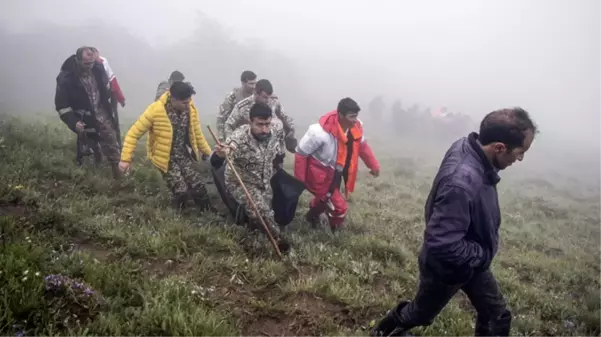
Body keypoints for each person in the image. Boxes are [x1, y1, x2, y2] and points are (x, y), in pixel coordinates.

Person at [370, 107, 538, 337]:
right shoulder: (461, 182)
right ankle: (387, 330)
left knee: (497, 315)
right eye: (520, 152)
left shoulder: (468, 146)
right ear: (499, 147)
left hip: (472, 259)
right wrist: (481, 254)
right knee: (420, 313)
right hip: (447, 266)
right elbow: (442, 244)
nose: (520, 159)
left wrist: (479, 255)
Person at [119, 81, 214, 211]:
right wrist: (125, 159)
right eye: (184, 103)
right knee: (180, 189)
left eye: (189, 101)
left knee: (197, 185)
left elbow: (196, 134)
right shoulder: (155, 111)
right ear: (173, 99)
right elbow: (133, 134)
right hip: (165, 158)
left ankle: (208, 212)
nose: (188, 105)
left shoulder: (190, 109)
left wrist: (209, 153)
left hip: (182, 154)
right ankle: (182, 217)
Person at [212, 101, 291, 253]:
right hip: (241, 181)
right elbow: (227, 150)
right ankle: (280, 242)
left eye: (267, 124)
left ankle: (249, 225)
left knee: (265, 210)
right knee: (261, 212)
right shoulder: (240, 136)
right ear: (250, 121)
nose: (264, 129)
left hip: (263, 181)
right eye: (260, 124)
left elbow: (278, 147)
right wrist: (221, 153)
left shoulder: (274, 132)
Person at [294, 97, 380, 231]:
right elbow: (301, 154)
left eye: (356, 116)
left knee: (325, 199)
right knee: (340, 207)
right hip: (317, 175)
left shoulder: (355, 128)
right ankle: (336, 231)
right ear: (340, 115)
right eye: (351, 116)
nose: (355, 120)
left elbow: (362, 147)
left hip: (335, 173)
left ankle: (311, 216)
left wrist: (374, 166)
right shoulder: (319, 132)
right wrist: (299, 181)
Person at [54, 46, 122, 179]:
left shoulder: (98, 68)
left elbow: (106, 88)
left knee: (112, 143)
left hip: (102, 114)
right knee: (88, 153)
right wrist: (74, 123)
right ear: (78, 60)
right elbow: (62, 106)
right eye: (86, 63)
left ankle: (119, 179)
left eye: (91, 63)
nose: (89, 66)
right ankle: (88, 180)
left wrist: (112, 98)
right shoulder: (66, 78)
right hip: (83, 118)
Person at [224, 79, 297, 157]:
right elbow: (229, 125)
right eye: (265, 97)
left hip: (273, 151)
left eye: (269, 97)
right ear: (256, 93)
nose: (267, 100)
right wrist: (231, 144)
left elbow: (285, 118)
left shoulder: (274, 102)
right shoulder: (242, 106)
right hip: (250, 151)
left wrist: (291, 133)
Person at [90, 47, 126, 149]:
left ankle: (117, 144)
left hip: (108, 97)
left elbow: (113, 82)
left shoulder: (103, 62)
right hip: (96, 98)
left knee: (112, 120)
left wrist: (120, 98)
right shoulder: (88, 64)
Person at [216, 70, 258, 142]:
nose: (254, 86)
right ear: (243, 83)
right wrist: (221, 138)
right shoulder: (232, 97)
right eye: (251, 84)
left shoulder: (256, 96)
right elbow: (221, 118)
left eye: (255, 83)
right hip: (235, 136)